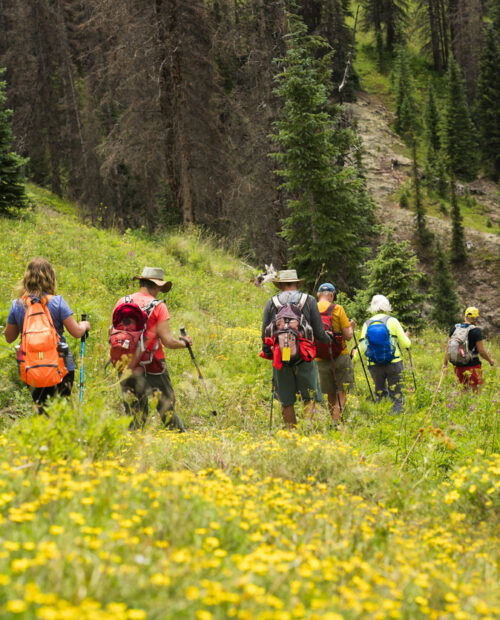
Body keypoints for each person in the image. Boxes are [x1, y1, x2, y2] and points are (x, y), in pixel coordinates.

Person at [4, 257, 90, 413]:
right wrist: (84, 325)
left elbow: (9, 337)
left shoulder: (17, 304)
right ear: (50, 277)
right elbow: (77, 333)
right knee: (61, 413)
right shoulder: (57, 302)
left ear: (27, 278)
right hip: (62, 367)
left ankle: (45, 437)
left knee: (43, 412)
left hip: (32, 369)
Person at [114, 266, 192, 430]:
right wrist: (184, 343)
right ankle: (179, 437)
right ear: (155, 285)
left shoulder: (122, 301)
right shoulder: (158, 306)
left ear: (141, 281)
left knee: (134, 412)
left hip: (126, 363)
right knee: (166, 408)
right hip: (153, 364)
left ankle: (133, 446)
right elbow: (168, 341)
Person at [261, 269, 330, 428]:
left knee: (286, 400)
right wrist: (329, 340)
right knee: (309, 397)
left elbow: (265, 334)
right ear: (297, 283)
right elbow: (319, 333)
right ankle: (306, 432)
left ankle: (291, 434)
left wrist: (268, 352)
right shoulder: (310, 300)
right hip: (305, 355)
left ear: (280, 286)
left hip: (282, 356)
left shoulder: (272, 302)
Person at [359, 295, 411, 414]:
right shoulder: (392, 321)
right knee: (397, 394)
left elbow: (362, 346)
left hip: (374, 364)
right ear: (387, 306)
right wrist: (407, 338)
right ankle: (396, 420)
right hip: (394, 362)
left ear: (372, 306)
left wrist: (354, 357)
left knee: (380, 393)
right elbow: (406, 343)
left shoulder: (367, 324)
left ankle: (382, 418)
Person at [315, 283, 355, 428]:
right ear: (332, 295)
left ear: (318, 295)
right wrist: (351, 326)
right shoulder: (337, 309)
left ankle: (333, 418)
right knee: (341, 390)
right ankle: (335, 422)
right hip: (340, 355)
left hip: (319, 357)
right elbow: (348, 336)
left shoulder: (311, 309)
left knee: (330, 391)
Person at [442, 307, 494, 393]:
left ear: (465, 316)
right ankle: (474, 406)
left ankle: (464, 406)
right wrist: (490, 361)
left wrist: (445, 364)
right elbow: (481, 351)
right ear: (476, 318)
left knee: (463, 391)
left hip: (458, 365)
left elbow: (448, 348)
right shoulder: (475, 331)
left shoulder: (455, 328)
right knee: (476, 393)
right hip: (472, 365)